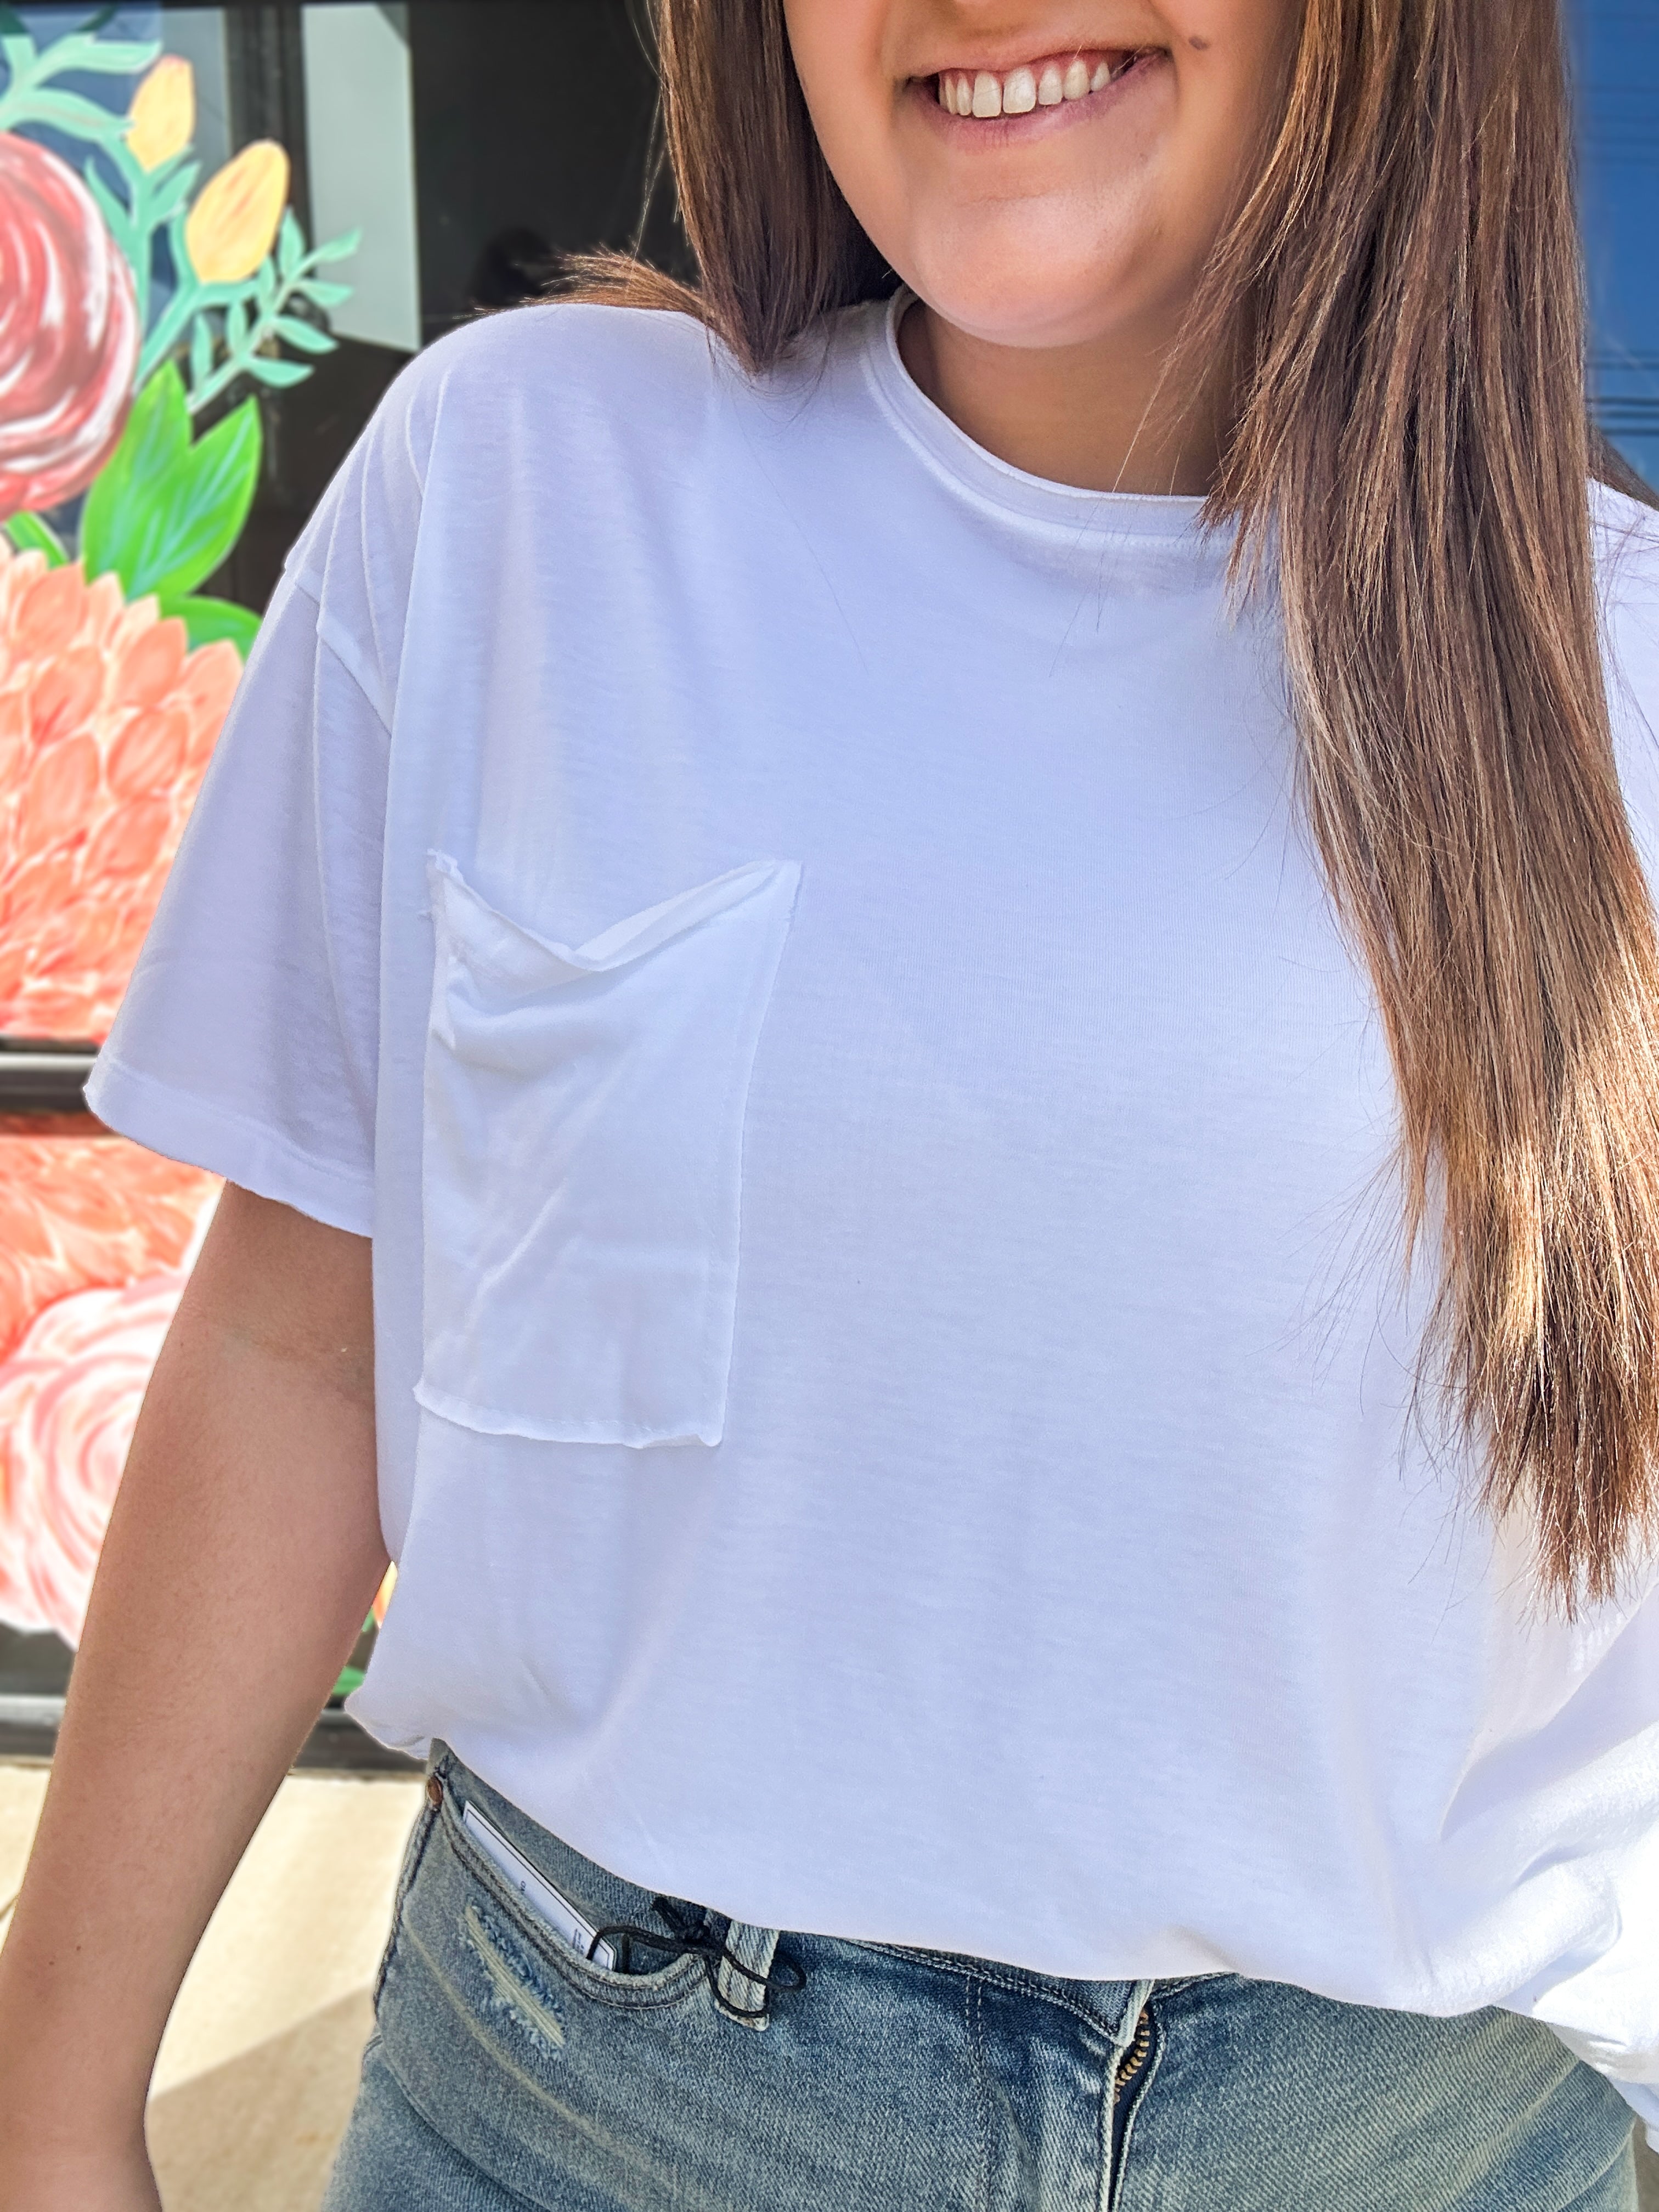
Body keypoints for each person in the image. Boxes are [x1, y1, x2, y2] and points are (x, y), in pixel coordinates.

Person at [1, 0, 1656, 2203]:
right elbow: (303, 1345)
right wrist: (49, 2101)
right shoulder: (523, 490)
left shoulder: (1621, 676)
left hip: (1419, 2141)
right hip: (583, 2120)